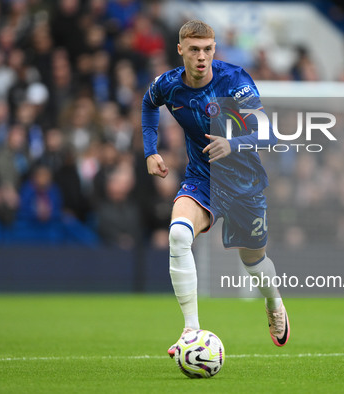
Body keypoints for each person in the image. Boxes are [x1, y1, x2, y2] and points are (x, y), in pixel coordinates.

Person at [141, 20, 290, 356]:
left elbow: (268, 133)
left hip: (242, 183)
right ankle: (191, 331)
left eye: (208, 49)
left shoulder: (233, 82)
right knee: (178, 235)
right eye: (194, 50)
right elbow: (148, 105)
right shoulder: (168, 85)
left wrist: (232, 144)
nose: (202, 57)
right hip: (202, 179)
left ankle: (273, 302)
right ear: (180, 50)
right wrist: (151, 151)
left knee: (253, 262)